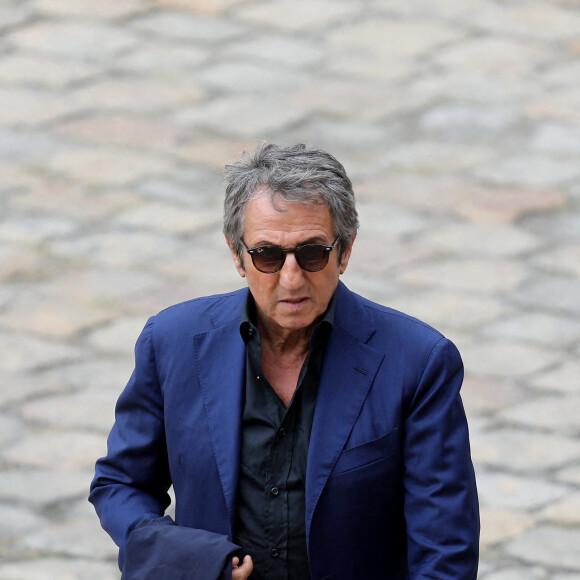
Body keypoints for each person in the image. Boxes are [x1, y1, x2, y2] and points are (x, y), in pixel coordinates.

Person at [90, 143, 479, 580]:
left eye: (312, 253)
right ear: (237, 255)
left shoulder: (419, 363)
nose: (291, 278)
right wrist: (191, 560)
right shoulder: (171, 342)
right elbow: (121, 484)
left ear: (345, 251)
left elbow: (445, 554)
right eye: (268, 256)